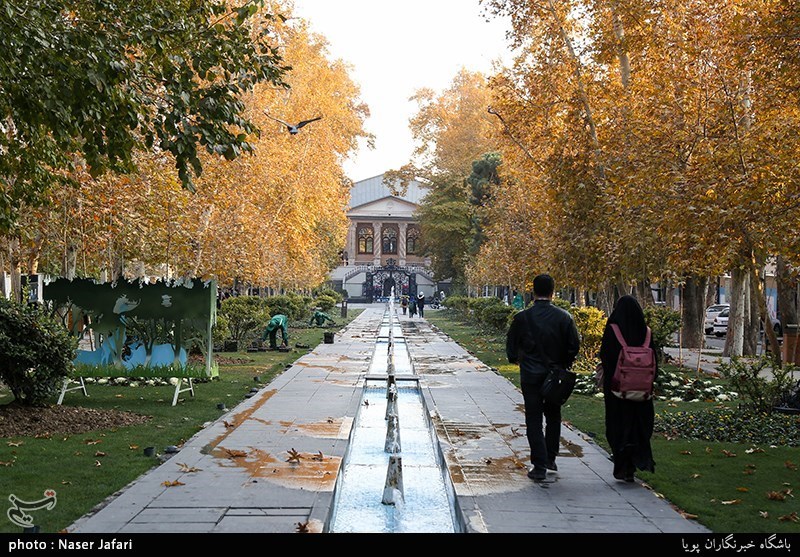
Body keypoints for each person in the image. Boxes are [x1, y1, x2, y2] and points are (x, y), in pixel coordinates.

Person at [506, 274, 580, 482]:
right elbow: (573, 346)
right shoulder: (564, 317)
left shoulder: (522, 318)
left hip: (530, 375)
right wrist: (562, 364)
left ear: (534, 291)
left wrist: (518, 359)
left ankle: (539, 465)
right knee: (554, 415)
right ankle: (550, 457)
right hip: (554, 376)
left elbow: (511, 347)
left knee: (534, 419)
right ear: (552, 292)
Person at [598, 295, 657, 482]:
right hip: (642, 392)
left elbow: (606, 357)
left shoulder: (613, 330)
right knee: (638, 426)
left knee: (618, 425)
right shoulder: (646, 333)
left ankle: (621, 463)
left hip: (617, 390)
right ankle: (634, 463)